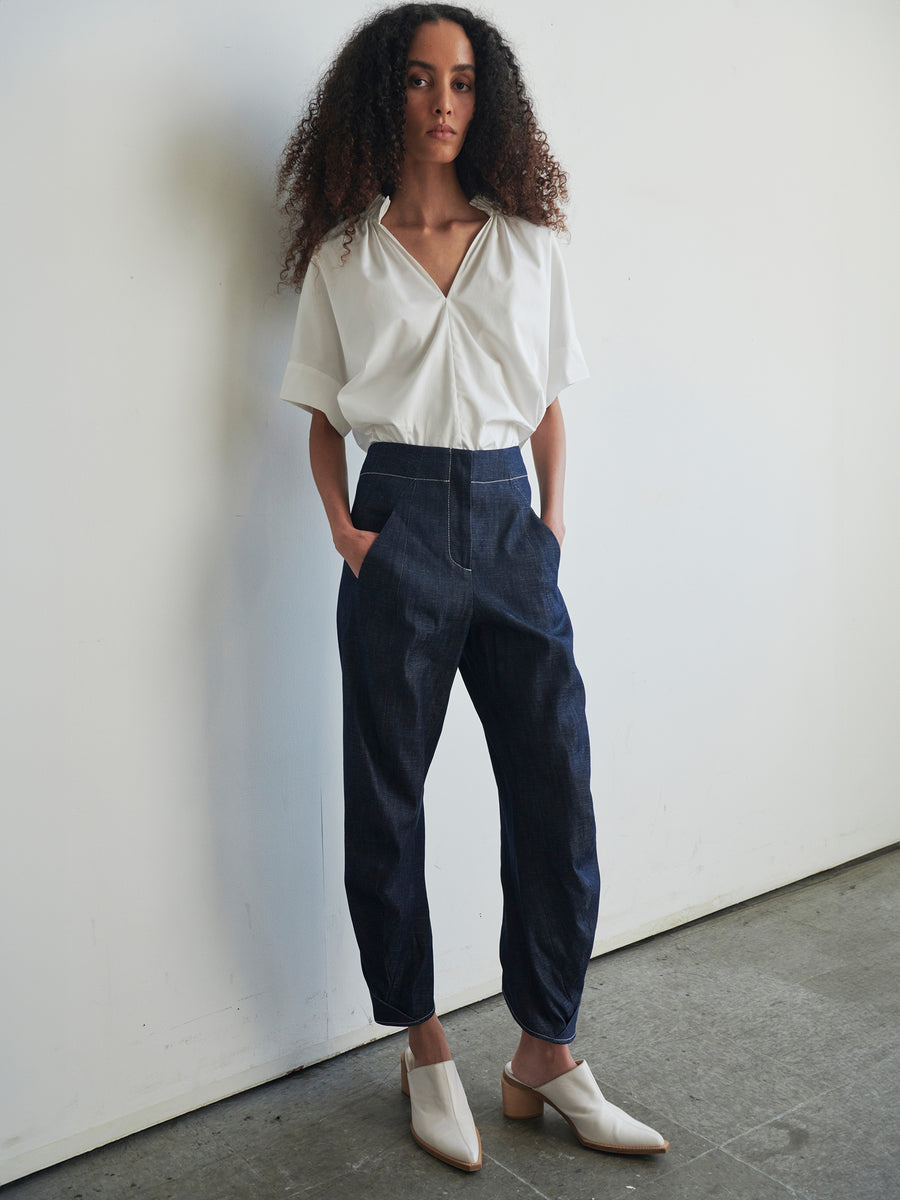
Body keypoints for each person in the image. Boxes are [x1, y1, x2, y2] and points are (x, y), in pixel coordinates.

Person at [277, 2, 669, 1172]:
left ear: (482, 97)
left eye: (460, 82)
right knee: (387, 800)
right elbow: (319, 415)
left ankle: (544, 1050)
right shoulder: (342, 255)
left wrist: (547, 524)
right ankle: (428, 1044)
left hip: (509, 526)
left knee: (556, 784)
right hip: (396, 524)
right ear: (381, 96)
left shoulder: (531, 239)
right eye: (417, 80)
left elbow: (547, 399)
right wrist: (350, 534)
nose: (442, 103)